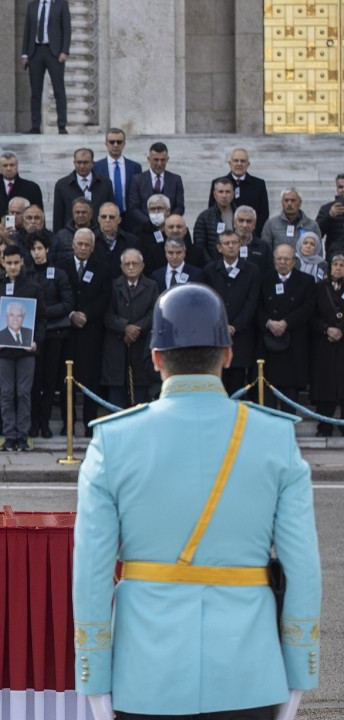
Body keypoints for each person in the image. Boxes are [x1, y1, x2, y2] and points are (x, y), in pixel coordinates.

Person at [72, 282, 320, 720]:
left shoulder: (113, 440)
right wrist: (298, 674)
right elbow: (303, 568)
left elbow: (91, 573)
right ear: (227, 354)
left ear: (154, 357)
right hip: (249, 675)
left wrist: (94, 681)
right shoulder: (275, 437)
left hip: (145, 677)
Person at [0, 246, 43, 450]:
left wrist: (36, 340)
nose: (12, 267)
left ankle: (23, 435)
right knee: (7, 393)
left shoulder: (33, 287)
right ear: (2, 262)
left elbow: (41, 318)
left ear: (22, 262)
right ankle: (9, 434)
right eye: (8, 263)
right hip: (3, 351)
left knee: (24, 393)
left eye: (16, 263)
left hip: (26, 351)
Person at [62, 229, 112, 435]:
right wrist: (71, 313)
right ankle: (68, 424)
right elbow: (58, 293)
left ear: (92, 248)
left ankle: (89, 423)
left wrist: (86, 315)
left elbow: (104, 297)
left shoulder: (102, 268)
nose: (83, 248)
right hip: (67, 332)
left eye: (87, 245)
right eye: (79, 244)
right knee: (67, 380)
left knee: (90, 380)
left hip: (91, 332)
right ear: (73, 245)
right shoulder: (62, 266)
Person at [201, 231, 262, 395]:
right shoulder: (210, 270)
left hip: (241, 336)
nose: (230, 246)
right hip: (216, 336)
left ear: (239, 246)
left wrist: (235, 325)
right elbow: (207, 302)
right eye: (226, 243)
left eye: (234, 243)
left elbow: (251, 302)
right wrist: (221, 325)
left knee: (237, 384)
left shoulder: (252, 270)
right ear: (219, 248)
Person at [28, 232, 74, 438]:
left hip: (55, 332)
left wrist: (44, 312)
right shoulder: (26, 274)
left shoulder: (58, 273)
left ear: (46, 249)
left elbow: (67, 302)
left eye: (39, 249)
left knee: (49, 380)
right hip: (32, 335)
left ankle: (45, 423)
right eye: (33, 249)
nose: (36, 253)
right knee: (34, 381)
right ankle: (34, 422)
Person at [258, 244, 315, 411]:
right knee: (268, 391)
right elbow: (257, 307)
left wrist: (286, 323)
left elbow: (308, 308)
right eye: (279, 258)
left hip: (293, 344)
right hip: (269, 343)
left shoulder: (306, 281)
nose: (282, 262)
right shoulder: (265, 280)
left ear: (294, 261)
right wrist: (269, 323)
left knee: (290, 395)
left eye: (287, 259)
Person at [102, 248, 160, 408]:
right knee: (116, 401)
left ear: (142, 266)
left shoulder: (152, 286)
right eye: (127, 263)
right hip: (117, 348)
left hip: (141, 347)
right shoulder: (113, 286)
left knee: (141, 399)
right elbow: (107, 313)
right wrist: (125, 327)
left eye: (135, 263)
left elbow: (154, 312)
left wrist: (136, 329)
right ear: (121, 267)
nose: (131, 267)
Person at [21, 0, 71, 134]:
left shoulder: (61, 4)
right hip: (35, 52)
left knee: (58, 90)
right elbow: (27, 30)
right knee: (35, 92)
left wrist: (64, 51)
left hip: (54, 53)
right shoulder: (32, 5)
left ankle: (61, 125)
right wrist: (25, 54)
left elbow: (67, 28)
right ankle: (35, 126)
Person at [310, 251, 344, 435]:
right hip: (324, 344)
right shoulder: (319, 288)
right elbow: (311, 315)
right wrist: (326, 329)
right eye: (335, 265)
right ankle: (324, 426)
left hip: (342, 345)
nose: (338, 268)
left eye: (342, 265)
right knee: (326, 386)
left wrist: (340, 329)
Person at [125, 142, 185, 232]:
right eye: (156, 160)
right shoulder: (137, 180)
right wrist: (151, 224)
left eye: (163, 160)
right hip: (144, 230)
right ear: (149, 159)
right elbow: (134, 208)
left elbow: (180, 206)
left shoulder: (176, 180)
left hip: (169, 229)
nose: (159, 163)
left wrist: (168, 222)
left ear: (167, 159)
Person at [210, 148, 271, 236]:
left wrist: (253, 233)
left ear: (248, 164)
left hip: (250, 235)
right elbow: (212, 210)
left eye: (242, 161)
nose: (239, 163)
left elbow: (263, 213)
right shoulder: (217, 183)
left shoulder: (259, 184)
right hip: (224, 236)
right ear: (230, 163)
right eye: (236, 160)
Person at [0, 151, 44, 234]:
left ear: (17, 166)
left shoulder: (32, 188)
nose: (9, 168)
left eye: (12, 165)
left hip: (26, 237)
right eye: (5, 165)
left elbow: (40, 216)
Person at [53, 149, 113, 230]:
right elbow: (58, 216)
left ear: (93, 163)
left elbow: (111, 210)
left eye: (85, 162)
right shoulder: (62, 185)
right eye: (79, 162)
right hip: (71, 234)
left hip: (98, 234)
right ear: (74, 163)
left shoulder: (105, 184)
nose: (82, 166)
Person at [93, 127, 141, 214]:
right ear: (106, 144)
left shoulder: (135, 167)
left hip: (129, 216)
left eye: (119, 142)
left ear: (124, 144)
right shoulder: (97, 167)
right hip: (106, 216)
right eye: (112, 142)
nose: (115, 145)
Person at [193, 177, 238, 262]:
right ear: (214, 194)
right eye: (221, 192)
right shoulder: (204, 217)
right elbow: (200, 246)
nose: (224, 195)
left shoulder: (239, 215)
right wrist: (211, 266)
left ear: (233, 194)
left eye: (227, 192)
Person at [313, 173, 344, 255]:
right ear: (337, 189)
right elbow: (316, 233)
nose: (343, 190)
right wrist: (329, 216)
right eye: (340, 187)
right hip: (334, 259)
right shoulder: (326, 209)